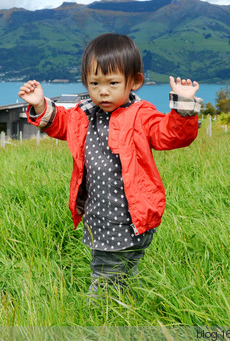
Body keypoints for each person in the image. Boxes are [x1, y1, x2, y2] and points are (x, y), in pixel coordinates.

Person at [18, 33, 202, 302]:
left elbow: (170, 135)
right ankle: (126, 306)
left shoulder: (141, 115)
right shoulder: (83, 114)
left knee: (104, 281)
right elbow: (59, 124)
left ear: (135, 81)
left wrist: (184, 105)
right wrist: (39, 104)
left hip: (129, 218)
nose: (103, 91)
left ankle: (99, 318)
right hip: (99, 216)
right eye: (95, 83)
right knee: (120, 275)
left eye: (113, 83)